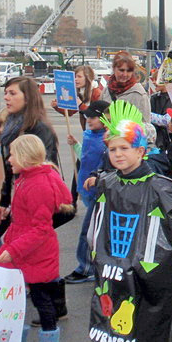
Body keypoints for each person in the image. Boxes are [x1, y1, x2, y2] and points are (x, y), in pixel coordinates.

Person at [89, 100, 172, 342]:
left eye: (124, 148)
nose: (118, 154)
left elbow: (165, 243)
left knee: (145, 329)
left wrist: (140, 268)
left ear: (140, 151)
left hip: (145, 281)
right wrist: (101, 259)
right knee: (112, 326)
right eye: (113, 150)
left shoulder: (160, 190)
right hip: (112, 273)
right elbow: (99, 227)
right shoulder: (108, 183)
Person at [0, 134, 73, 342]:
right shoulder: (29, 178)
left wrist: (13, 250)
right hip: (26, 247)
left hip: (33, 251)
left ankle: (47, 336)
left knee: (40, 298)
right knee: (21, 297)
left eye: (12, 155)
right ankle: (15, 334)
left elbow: (41, 228)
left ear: (24, 157)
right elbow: (30, 214)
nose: (9, 159)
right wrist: (11, 212)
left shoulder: (37, 184)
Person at [62, 100, 109, 284]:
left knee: (89, 231)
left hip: (99, 189)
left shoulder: (108, 139)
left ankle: (86, 267)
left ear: (105, 118)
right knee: (95, 230)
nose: (89, 119)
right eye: (88, 116)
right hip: (87, 188)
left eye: (93, 116)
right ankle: (96, 266)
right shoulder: (89, 135)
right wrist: (75, 145)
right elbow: (85, 157)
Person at [99, 51, 150, 122]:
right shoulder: (106, 91)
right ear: (114, 69)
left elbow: (146, 125)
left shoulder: (139, 94)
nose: (125, 74)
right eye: (121, 70)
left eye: (129, 71)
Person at [52, 65, 101, 130]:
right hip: (87, 131)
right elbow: (69, 112)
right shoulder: (80, 93)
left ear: (87, 78)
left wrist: (81, 105)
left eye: (79, 77)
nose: (75, 79)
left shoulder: (97, 93)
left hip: (99, 132)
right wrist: (57, 106)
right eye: (75, 77)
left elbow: (97, 115)